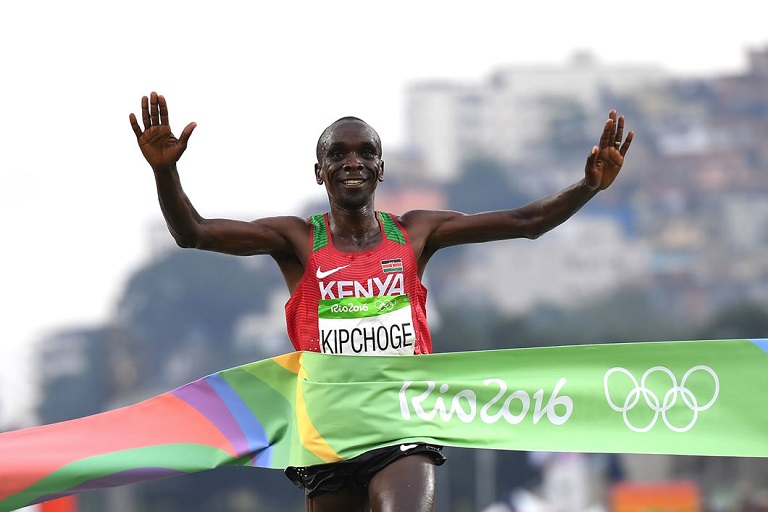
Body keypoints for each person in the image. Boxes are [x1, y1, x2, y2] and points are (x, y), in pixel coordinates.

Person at [129, 91, 633, 512]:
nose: (353, 162)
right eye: (339, 154)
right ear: (319, 171)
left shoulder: (415, 233)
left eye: (365, 152)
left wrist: (588, 185)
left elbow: (527, 223)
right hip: (327, 429)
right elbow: (192, 233)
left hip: (403, 418)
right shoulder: (298, 241)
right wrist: (164, 174)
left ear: (381, 168)